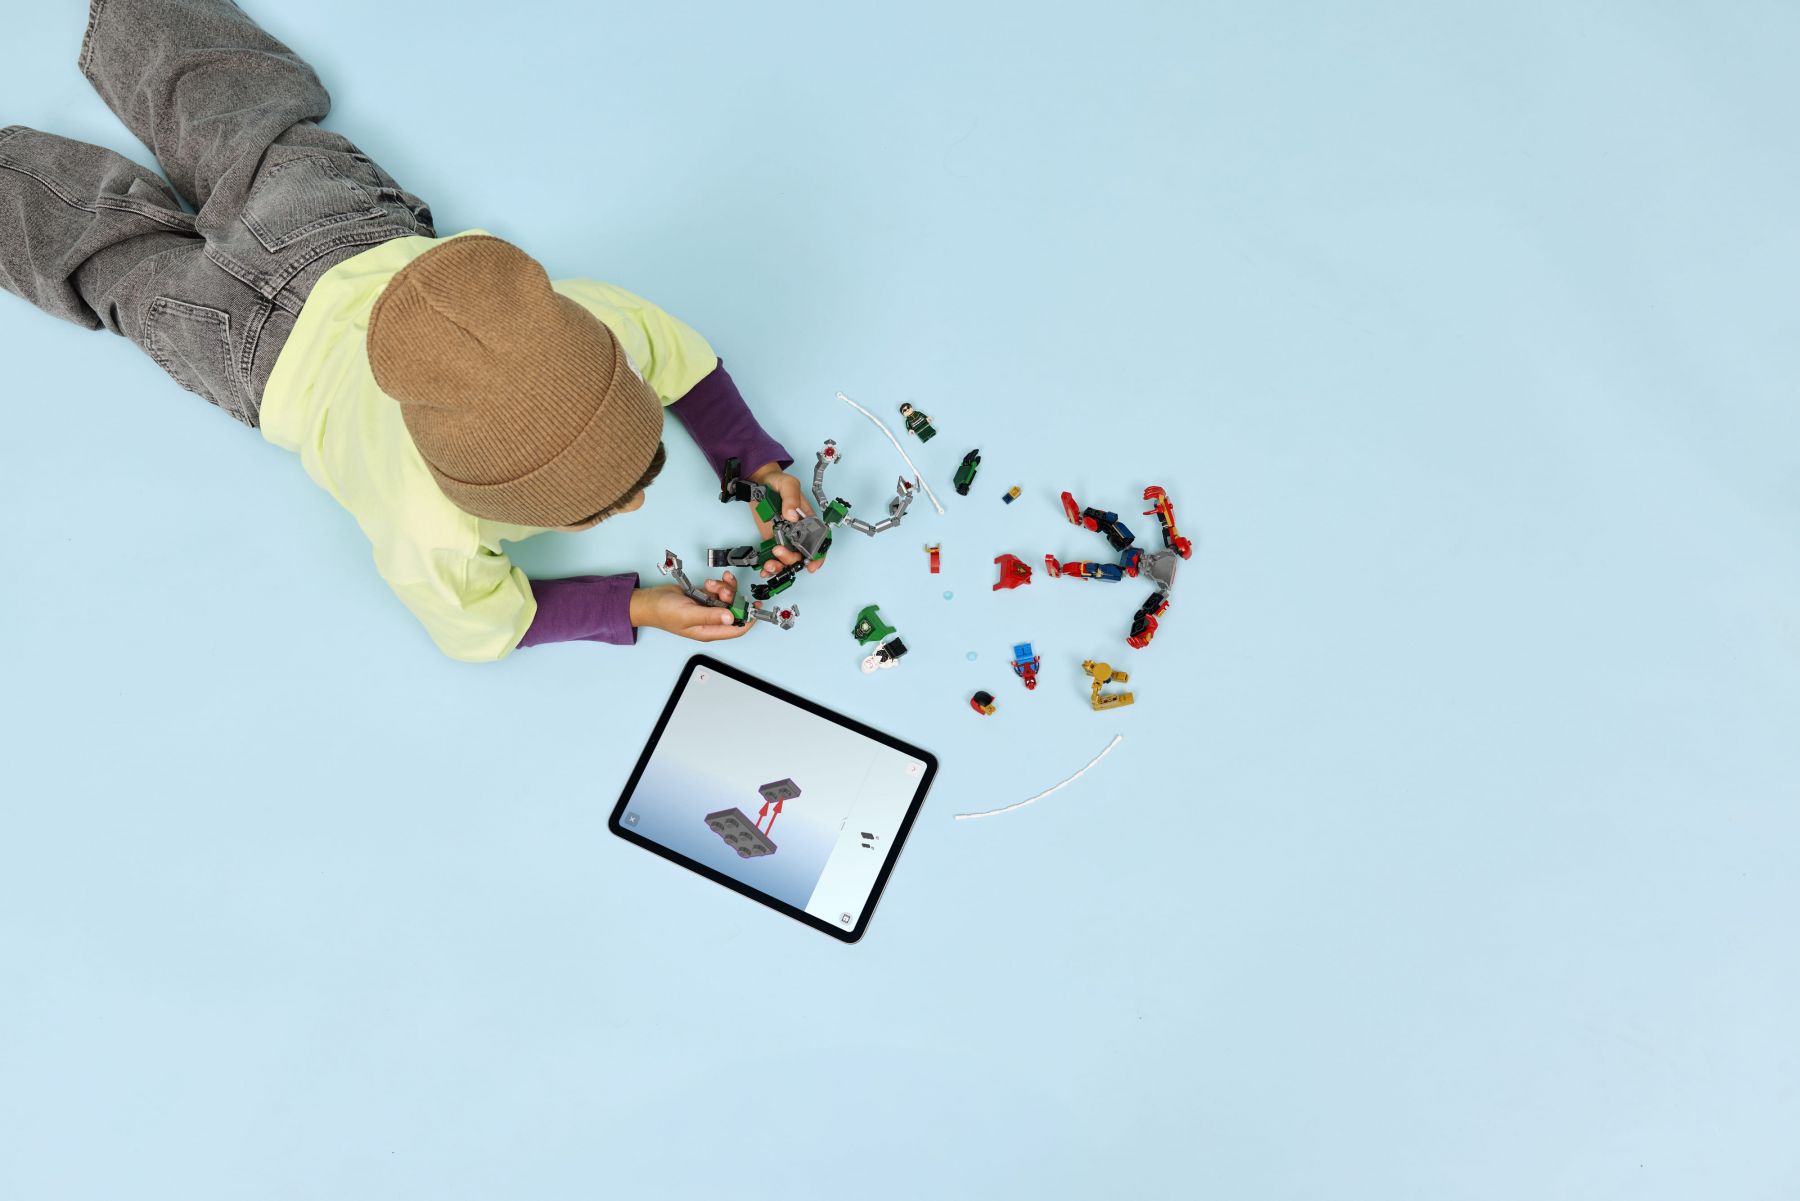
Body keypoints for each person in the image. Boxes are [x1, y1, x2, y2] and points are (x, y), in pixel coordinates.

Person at [0, 0, 817, 661]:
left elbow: (673, 354)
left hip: (335, 233)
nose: (638, 502)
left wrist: (759, 464)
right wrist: (637, 607)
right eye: (599, 511)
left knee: (231, 107)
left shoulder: (592, 330)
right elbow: (487, 627)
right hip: (251, 355)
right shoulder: (433, 522)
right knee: (116, 263)